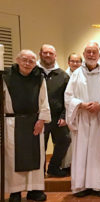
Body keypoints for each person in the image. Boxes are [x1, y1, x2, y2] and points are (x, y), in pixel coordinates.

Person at [4, 50, 51, 202]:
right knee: (13, 157)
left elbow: (44, 100)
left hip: (34, 122)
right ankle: (15, 192)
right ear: (17, 60)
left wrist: (42, 120)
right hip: (13, 123)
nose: (27, 63)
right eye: (24, 60)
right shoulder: (6, 76)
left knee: (35, 155)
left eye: (31, 61)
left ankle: (35, 189)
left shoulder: (39, 77)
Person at [65, 41, 100, 197]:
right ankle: (81, 186)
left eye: (94, 52)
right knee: (82, 151)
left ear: (99, 55)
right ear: (84, 55)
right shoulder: (76, 74)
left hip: (99, 118)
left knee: (98, 152)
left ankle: (98, 185)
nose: (91, 55)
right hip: (82, 118)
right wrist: (81, 105)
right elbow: (68, 97)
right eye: (88, 52)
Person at [38, 44, 71, 177]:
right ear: (40, 54)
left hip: (57, 117)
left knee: (65, 139)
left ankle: (53, 167)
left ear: (55, 56)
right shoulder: (34, 73)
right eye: (45, 53)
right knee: (39, 146)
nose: (47, 55)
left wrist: (64, 116)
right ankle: (39, 171)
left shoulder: (63, 76)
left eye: (50, 53)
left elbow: (67, 97)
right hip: (39, 118)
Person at [61, 53, 82, 173]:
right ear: (68, 62)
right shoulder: (64, 75)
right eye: (73, 61)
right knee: (67, 141)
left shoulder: (82, 75)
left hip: (78, 112)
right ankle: (66, 165)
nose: (75, 64)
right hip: (67, 112)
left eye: (77, 61)